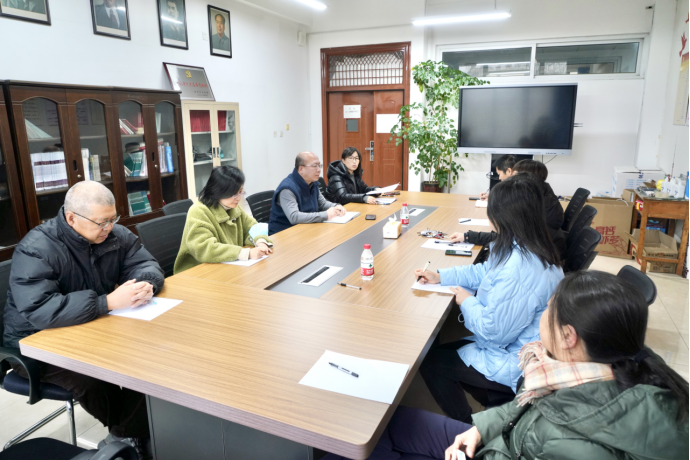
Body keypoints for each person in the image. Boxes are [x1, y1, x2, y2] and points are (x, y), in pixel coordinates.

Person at [322, 271, 689, 460]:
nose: (542, 314)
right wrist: (482, 428)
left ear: (569, 336)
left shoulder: (572, 442)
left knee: (357, 441)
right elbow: (532, 409)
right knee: (382, 424)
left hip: (500, 450)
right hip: (500, 441)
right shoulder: (617, 369)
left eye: (548, 309)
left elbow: (545, 426)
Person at [2, 181, 164, 458]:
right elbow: (40, 308)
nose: (109, 228)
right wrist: (106, 302)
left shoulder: (115, 234)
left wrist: (146, 283)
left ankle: (130, 431)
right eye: (102, 222)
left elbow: (144, 263)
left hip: (90, 327)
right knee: (94, 378)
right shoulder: (37, 248)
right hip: (35, 344)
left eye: (113, 219)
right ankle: (127, 436)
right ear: (71, 218)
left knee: (149, 358)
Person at [415, 175, 564, 423]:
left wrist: (466, 301)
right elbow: (485, 272)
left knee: (429, 361)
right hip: (512, 345)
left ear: (505, 217)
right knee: (437, 352)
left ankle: (467, 425)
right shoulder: (526, 244)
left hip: (515, 361)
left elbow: (494, 332)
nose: (489, 219)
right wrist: (440, 276)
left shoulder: (520, 268)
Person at [174, 166, 273, 274]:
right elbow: (204, 248)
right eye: (234, 194)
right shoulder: (198, 211)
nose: (238, 198)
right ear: (218, 191)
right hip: (197, 272)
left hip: (226, 267)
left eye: (240, 192)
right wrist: (246, 253)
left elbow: (251, 227)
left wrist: (260, 242)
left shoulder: (232, 207)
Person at [268, 152, 346, 235]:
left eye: (319, 165)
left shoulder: (312, 182)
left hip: (306, 229)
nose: (319, 170)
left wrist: (336, 206)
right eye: (314, 166)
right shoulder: (287, 188)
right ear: (301, 169)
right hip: (284, 234)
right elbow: (294, 217)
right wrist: (326, 215)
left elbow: (322, 203)